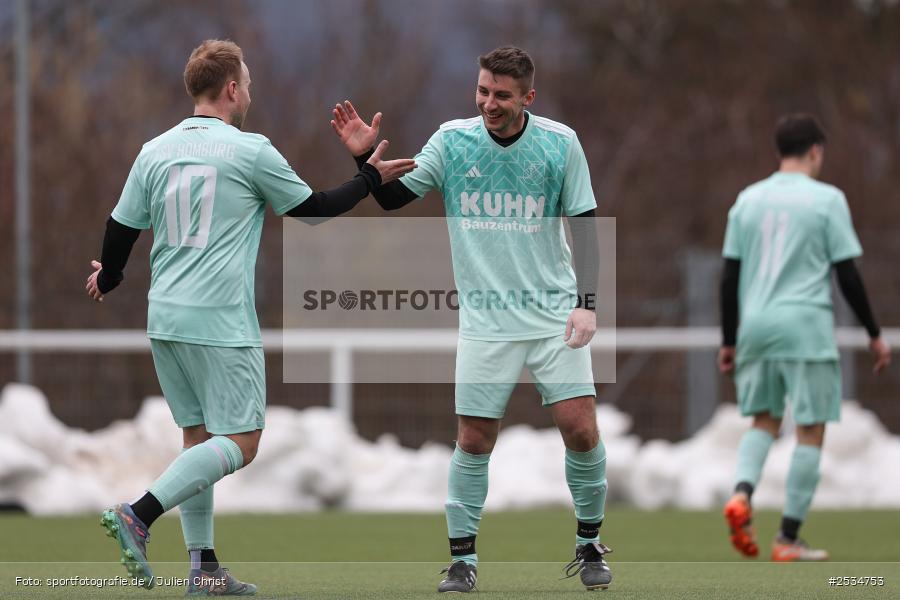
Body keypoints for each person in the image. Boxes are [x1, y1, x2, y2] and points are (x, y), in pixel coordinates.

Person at [86, 39, 415, 595]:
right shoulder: (249, 149)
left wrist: (111, 276)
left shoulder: (155, 150)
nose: (251, 92)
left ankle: (204, 569)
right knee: (242, 441)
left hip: (164, 317)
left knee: (199, 440)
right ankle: (138, 515)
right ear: (232, 88)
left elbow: (120, 230)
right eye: (250, 82)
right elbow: (313, 211)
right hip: (219, 320)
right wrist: (369, 179)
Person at [330, 46, 610, 592]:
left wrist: (588, 303)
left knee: (580, 429)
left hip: (553, 315)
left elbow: (587, 224)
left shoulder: (560, 143)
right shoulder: (452, 141)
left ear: (528, 97)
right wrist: (363, 163)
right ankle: (463, 561)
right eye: (483, 91)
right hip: (485, 323)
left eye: (501, 95)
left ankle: (590, 543)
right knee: (475, 438)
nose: (488, 103)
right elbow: (390, 201)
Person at [719, 113, 890, 562]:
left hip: (755, 325)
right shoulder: (827, 199)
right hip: (805, 325)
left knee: (764, 421)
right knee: (810, 429)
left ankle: (741, 493)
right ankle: (787, 538)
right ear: (815, 150)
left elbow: (729, 275)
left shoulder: (747, 200)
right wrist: (874, 333)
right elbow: (847, 274)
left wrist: (728, 339)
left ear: (779, 152)